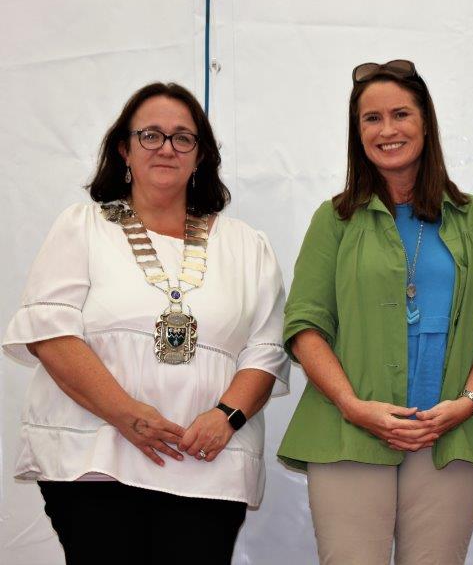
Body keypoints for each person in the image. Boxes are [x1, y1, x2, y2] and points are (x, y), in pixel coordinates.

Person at [2, 82, 290, 564]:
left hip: (207, 465)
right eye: (151, 135)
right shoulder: (83, 227)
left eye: (183, 137)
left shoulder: (247, 246)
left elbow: (267, 350)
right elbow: (50, 335)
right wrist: (126, 414)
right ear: (124, 148)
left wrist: (226, 417)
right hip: (96, 459)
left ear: (200, 155)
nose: (166, 148)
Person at [277, 59, 473, 565]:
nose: (387, 130)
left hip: (451, 433)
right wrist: (352, 405)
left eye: (401, 114)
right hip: (349, 431)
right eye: (372, 119)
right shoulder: (334, 219)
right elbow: (304, 325)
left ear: (425, 122)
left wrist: (467, 403)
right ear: (358, 132)